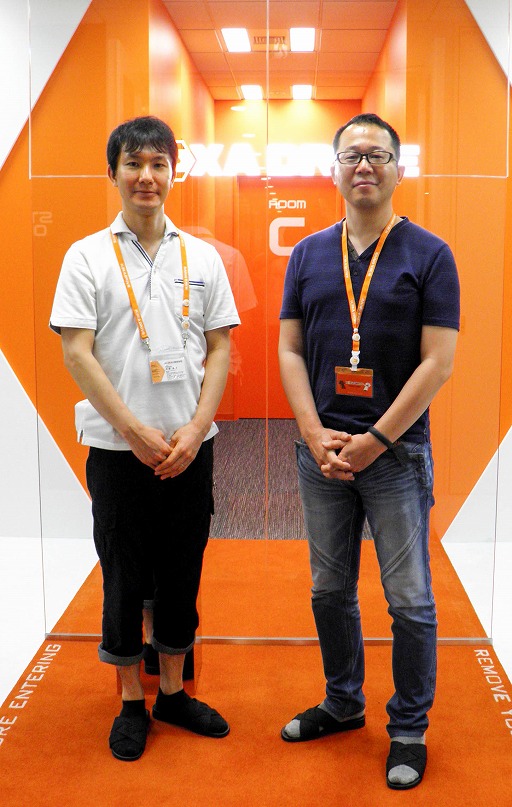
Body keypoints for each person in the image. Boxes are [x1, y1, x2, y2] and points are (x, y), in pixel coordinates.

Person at [278, 112, 459, 790]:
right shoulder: (307, 254)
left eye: (377, 155)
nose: (364, 165)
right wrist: (311, 433)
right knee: (330, 590)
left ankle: (408, 727)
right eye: (351, 154)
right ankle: (342, 701)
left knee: (409, 599)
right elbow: (289, 349)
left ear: (397, 170)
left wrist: (376, 440)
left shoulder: (430, 254)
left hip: (397, 456)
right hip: (322, 453)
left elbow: (438, 362)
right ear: (333, 170)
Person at [50, 115, 240, 761]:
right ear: (113, 173)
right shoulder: (85, 256)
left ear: (173, 172)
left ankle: (174, 693)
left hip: (190, 448)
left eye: (158, 163)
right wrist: (132, 430)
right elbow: (77, 352)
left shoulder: (202, 256)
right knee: (125, 579)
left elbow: (220, 348)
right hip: (117, 450)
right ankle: (131, 699)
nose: (146, 176)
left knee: (182, 575)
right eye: (133, 163)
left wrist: (196, 428)